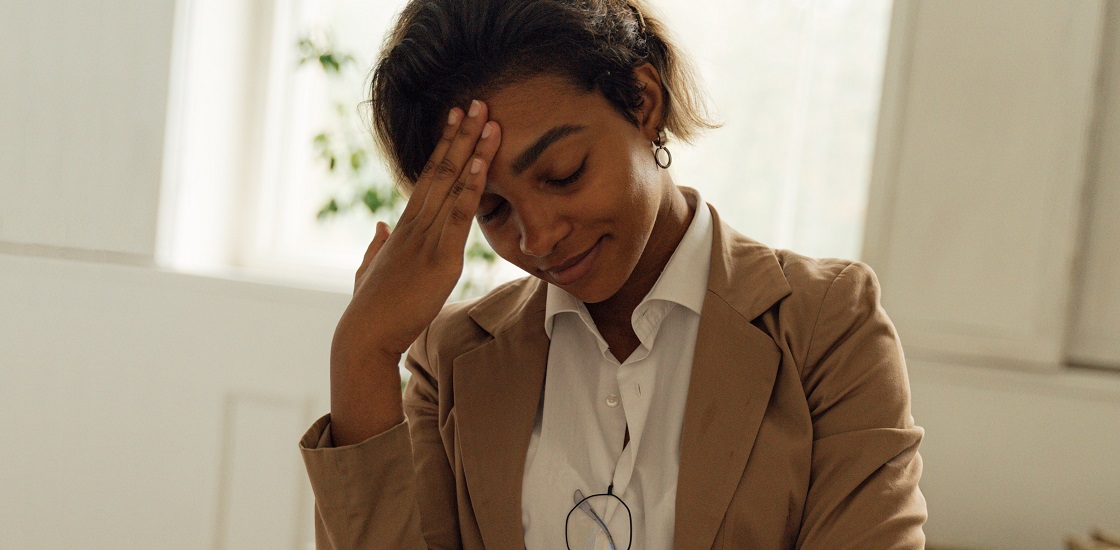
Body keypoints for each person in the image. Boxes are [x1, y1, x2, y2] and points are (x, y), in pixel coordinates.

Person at [299, 0, 927, 548]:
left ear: (643, 102)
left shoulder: (827, 327)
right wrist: (362, 352)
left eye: (564, 171)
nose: (538, 237)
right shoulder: (455, 361)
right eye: (492, 209)